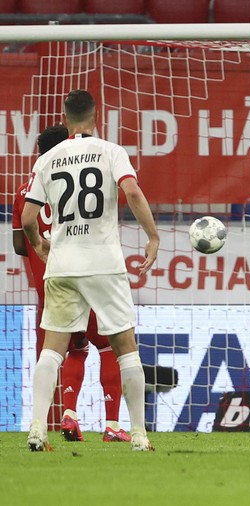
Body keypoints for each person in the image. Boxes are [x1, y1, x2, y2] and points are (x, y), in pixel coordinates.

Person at [22, 89, 159, 452]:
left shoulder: (48, 159)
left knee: (52, 350)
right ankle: (138, 435)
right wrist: (153, 237)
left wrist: (39, 245)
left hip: (63, 263)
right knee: (125, 347)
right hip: (103, 262)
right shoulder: (111, 152)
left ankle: (37, 428)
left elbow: (27, 218)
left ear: (64, 120)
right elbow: (131, 192)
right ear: (96, 117)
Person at [12, 124, 130, 444]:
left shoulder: (25, 191)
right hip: (85, 274)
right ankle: (114, 424)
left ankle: (68, 415)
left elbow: (20, 244)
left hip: (50, 286)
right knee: (108, 346)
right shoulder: (81, 178)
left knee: (69, 350)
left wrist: (39, 245)